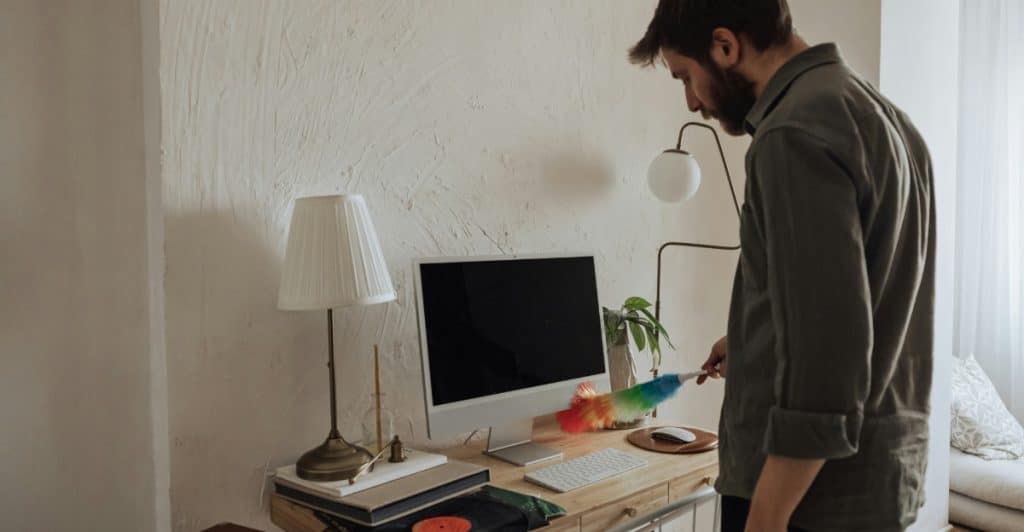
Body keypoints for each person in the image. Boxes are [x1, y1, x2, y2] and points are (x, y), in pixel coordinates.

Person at [629, 1, 935, 531]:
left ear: (725, 47)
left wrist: (766, 516)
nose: (692, 102)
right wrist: (754, 342)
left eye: (687, 77)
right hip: (879, 481)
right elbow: (871, 297)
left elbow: (828, 357)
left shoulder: (792, 134)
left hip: (806, 502)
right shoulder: (885, 117)